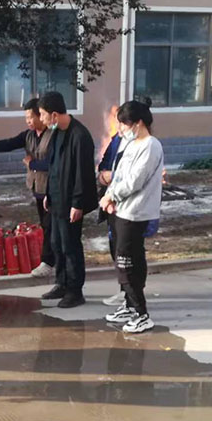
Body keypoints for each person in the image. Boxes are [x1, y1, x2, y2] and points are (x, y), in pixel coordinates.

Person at [0, 98, 55, 278]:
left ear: (41, 115)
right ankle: (52, 261)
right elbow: (8, 143)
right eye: (26, 118)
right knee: (47, 226)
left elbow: (55, 164)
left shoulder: (53, 136)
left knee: (51, 226)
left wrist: (32, 164)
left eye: (31, 117)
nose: (28, 121)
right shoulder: (28, 135)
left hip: (53, 189)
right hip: (38, 188)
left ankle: (49, 262)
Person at [98, 98, 163, 334]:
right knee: (124, 258)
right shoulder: (131, 144)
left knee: (127, 262)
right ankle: (129, 305)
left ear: (138, 123)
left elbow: (135, 181)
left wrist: (111, 196)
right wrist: (110, 197)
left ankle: (141, 313)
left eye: (124, 123)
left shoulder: (151, 145)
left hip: (135, 212)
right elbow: (119, 175)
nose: (121, 128)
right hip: (121, 210)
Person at [38, 91, 98, 308]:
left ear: (54, 114)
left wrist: (78, 203)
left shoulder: (80, 136)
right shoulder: (57, 133)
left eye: (43, 114)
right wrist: (48, 193)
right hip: (56, 199)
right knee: (56, 243)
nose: (42, 119)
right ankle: (61, 283)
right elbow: (53, 167)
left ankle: (75, 290)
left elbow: (83, 173)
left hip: (71, 202)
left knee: (70, 246)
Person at [97, 130, 125, 307]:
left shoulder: (143, 145)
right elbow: (105, 162)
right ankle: (124, 290)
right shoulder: (117, 139)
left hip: (127, 206)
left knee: (127, 251)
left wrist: (112, 176)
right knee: (115, 247)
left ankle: (130, 294)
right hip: (111, 204)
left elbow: (133, 175)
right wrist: (103, 176)